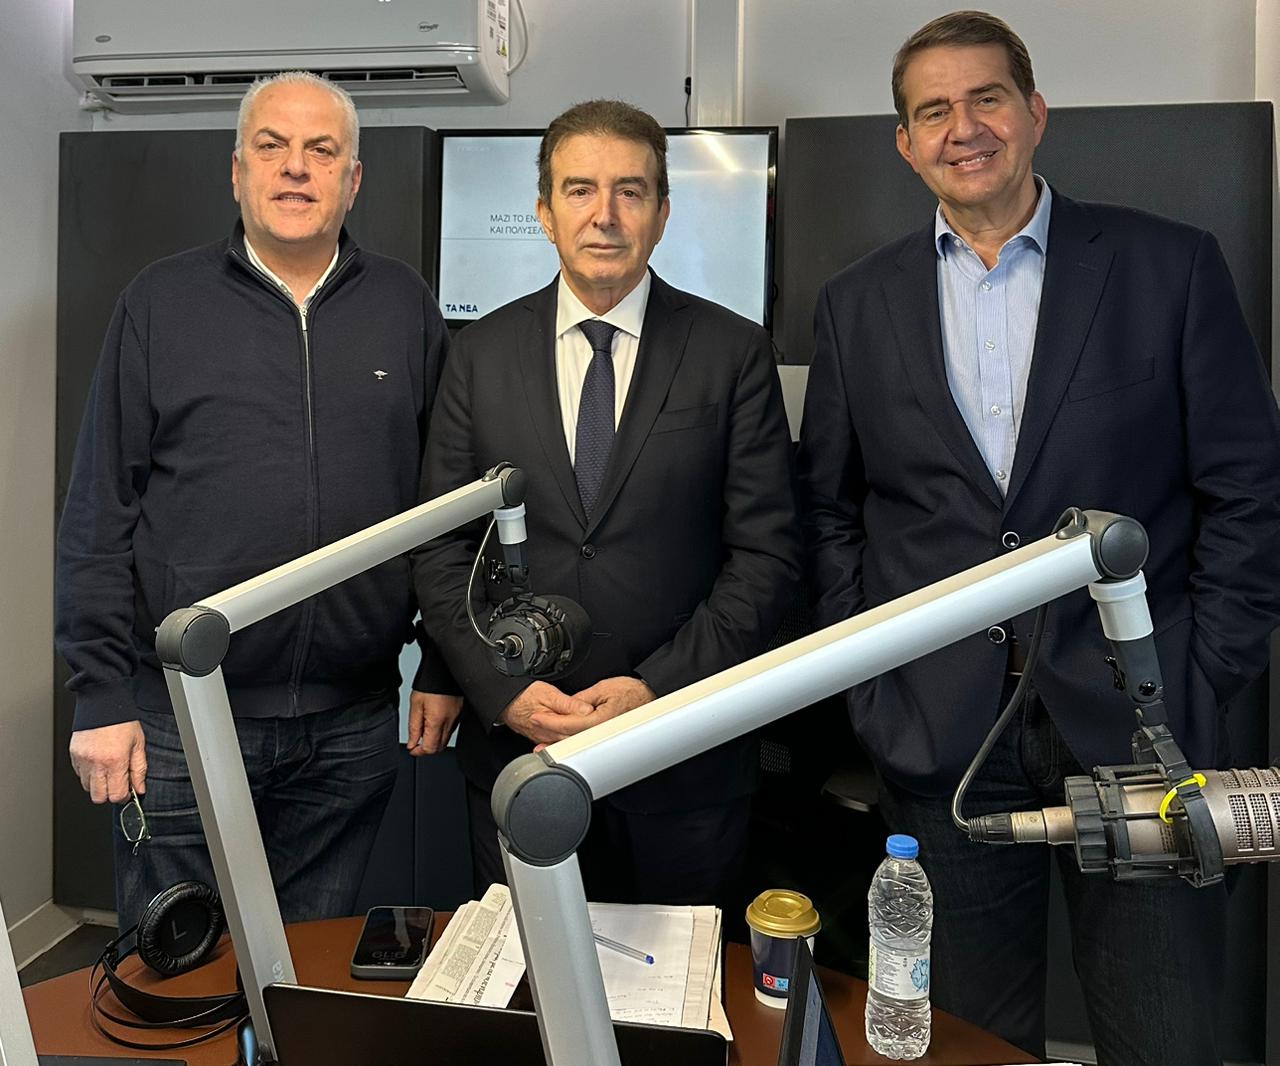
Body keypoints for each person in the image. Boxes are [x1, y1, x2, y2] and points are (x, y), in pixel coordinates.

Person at [796, 11, 1280, 1065]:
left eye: (986, 98)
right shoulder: (856, 304)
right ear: (904, 142)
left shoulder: (1167, 267)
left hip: (1143, 728)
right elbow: (830, 511)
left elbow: (1247, 487)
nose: (962, 128)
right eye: (933, 111)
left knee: (1166, 1036)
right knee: (967, 1043)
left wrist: (1206, 671)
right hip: (939, 732)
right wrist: (872, 683)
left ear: (1035, 112)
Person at [56, 71, 460, 933]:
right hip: (183, 723)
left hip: (352, 725)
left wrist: (444, 664)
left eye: (322, 150)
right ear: (236, 171)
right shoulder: (160, 303)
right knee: (177, 978)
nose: (296, 168)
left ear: (353, 179)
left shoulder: (404, 307)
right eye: (271, 147)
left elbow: (444, 507)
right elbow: (99, 511)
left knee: (303, 973)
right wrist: (99, 695)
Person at [413, 99, 801, 907]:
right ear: (545, 214)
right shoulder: (478, 354)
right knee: (523, 975)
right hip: (522, 751)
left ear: (662, 213)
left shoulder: (732, 353)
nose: (605, 215)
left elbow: (767, 557)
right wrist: (501, 689)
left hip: (683, 760)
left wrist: (655, 690)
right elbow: (442, 549)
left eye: (630, 191)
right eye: (580, 190)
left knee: (680, 982)